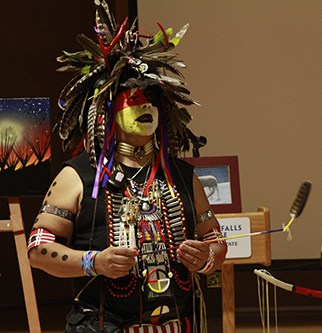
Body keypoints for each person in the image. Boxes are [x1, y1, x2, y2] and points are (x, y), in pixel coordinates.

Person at [28, 2, 227, 332]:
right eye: (133, 99)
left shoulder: (181, 173)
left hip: (178, 323)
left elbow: (215, 239)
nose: (145, 105)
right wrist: (95, 262)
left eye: (151, 100)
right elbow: (38, 249)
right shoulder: (77, 176)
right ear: (107, 115)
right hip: (103, 324)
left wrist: (206, 257)